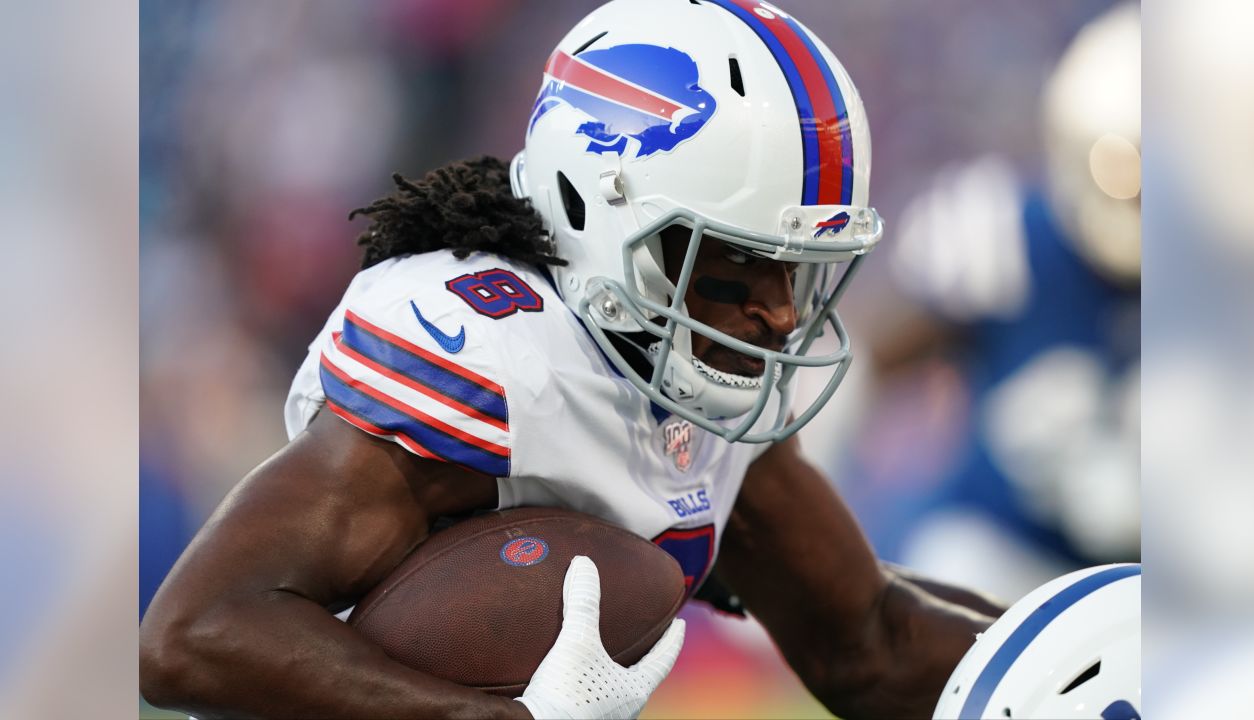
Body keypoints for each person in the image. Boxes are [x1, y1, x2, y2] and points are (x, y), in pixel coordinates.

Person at [140, 1, 1002, 718]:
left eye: (800, 271)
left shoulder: (697, 369)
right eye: (738, 263)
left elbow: (870, 645)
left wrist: (1090, 657)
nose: (779, 314)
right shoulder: (495, 355)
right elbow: (191, 634)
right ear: (602, 213)